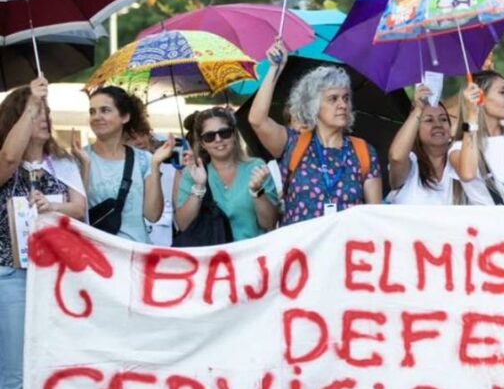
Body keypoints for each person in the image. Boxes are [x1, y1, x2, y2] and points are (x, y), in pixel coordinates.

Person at [1, 78, 87, 389]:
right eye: (38, 115)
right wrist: (30, 104)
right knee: (15, 374)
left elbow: (80, 209)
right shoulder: (7, 162)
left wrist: (53, 206)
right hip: (13, 276)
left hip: (58, 277)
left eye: (48, 115)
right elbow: (8, 156)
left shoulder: (63, 164)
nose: (45, 121)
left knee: (68, 365)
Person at [250, 39, 382, 226]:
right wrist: (275, 69)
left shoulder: (364, 152)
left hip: (345, 251)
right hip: (302, 253)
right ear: (313, 106)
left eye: (346, 98)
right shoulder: (294, 145)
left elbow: (375, 217)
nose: (343, 105)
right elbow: (257, 120)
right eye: (333, 99)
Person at [73, 86, 173, 242]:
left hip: (136, 254)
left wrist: (155, 165)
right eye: (92, 112)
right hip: (95, 256)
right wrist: (85, 165)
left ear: (125, 116)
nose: (97, 117)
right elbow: (77, 213)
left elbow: (153, 215)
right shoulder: (78, 158)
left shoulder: (144, 159)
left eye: (105, 110)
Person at [175, 107, 280, 241]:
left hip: (252, 255)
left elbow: (269, 223)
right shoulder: (193, 173)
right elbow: (183, 225)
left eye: (224, 133)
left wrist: (257, 192)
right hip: (213, 258)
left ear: (234, 135)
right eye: (209, 136)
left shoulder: (256, 167)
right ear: (202, 143)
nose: (218, 139)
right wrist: (199, 187)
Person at [449, 70, 504, 205]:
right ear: (480, 98)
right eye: (502, 92)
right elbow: (468, 174)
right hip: (489, 224)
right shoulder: (459, 148)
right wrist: (472, 116)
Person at [387, 85, 455, 205]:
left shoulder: (459, 161)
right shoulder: (411, 165)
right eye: (429, 120)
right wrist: (418, 109)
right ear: (416, 131)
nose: (438, 124)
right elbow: (396, 158)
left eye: (443, 119)